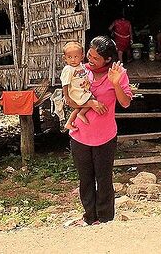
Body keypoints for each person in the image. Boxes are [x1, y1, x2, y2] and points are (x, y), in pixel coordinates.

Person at [69, 36, 132, 226]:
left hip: (105, 136)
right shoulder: (79, 71)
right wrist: (91, 103)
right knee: (85, 179)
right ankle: (89, 217)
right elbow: (70, 100)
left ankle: (105, 218)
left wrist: (115, 83)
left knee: (104, 179)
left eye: (95, 58)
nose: (90, 59)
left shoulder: (118, 73)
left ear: (107, 60)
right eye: (89, 54)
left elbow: (125, 102)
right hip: (80, 135)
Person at [60, 41, 99, 131]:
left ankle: (69, 123)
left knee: (79, 108)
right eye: (69, 57)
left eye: (76, 57)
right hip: (76, 93)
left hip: (82, 91)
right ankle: (81, 114)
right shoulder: (68, 69)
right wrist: (66, 96)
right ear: (64, 58)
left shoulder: (81, 66)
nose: (73, 60)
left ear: (82, 57)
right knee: (92, 101)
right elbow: (65, 83)